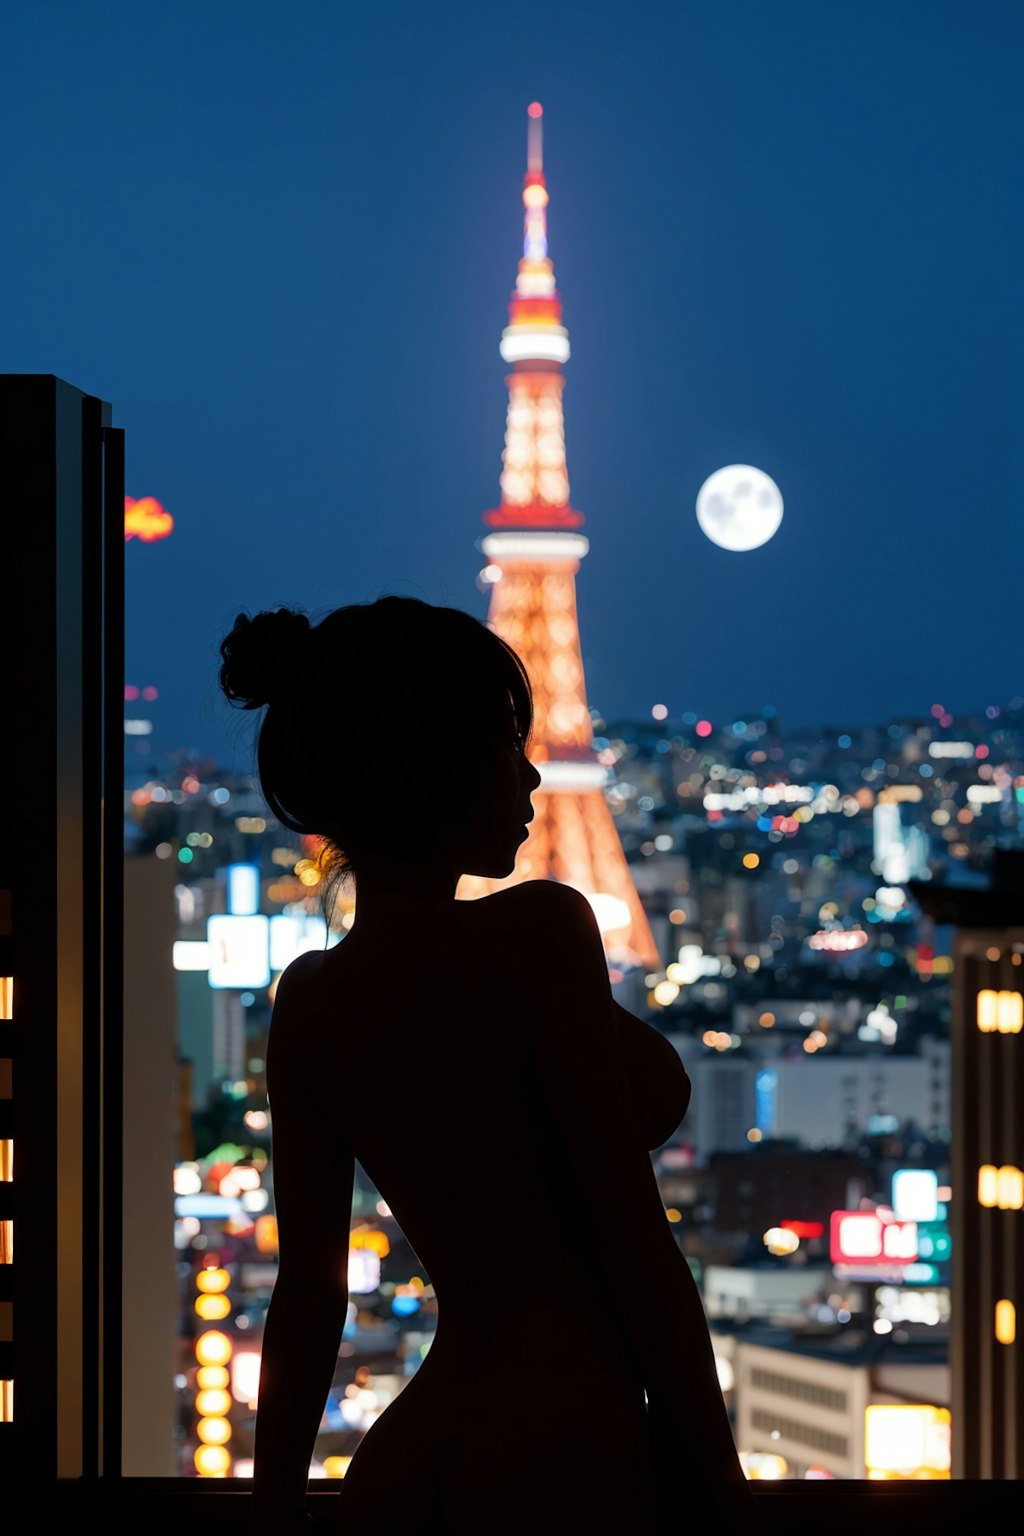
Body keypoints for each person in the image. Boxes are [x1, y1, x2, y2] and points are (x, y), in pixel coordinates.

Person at [219, 595, 764, 1534]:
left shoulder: (308, 1001)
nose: (534, 776)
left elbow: (308, 1296)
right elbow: (635, 1245)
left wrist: (271, 1515)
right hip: (562, 1444)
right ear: (438, 770)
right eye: (506, 747)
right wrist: (720, 1481)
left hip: (410, 1458)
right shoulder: (540, 933)